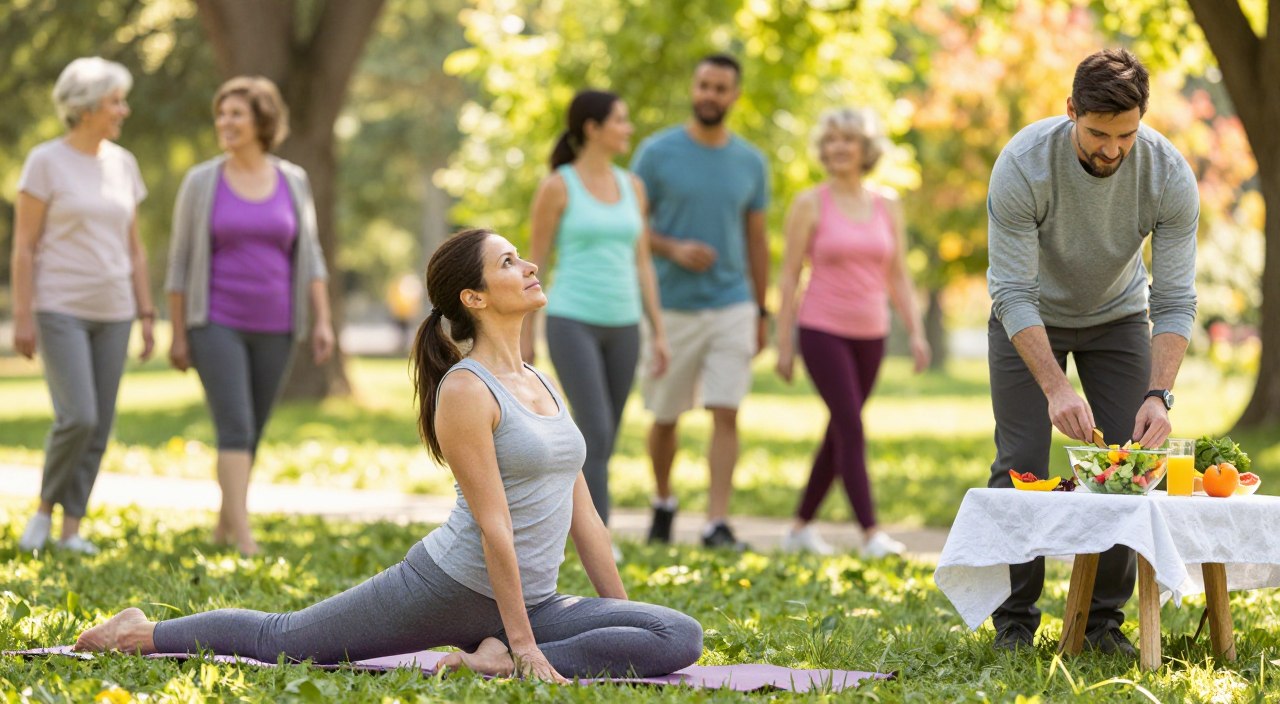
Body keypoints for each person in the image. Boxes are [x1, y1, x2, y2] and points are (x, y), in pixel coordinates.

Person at [73, 229, 704, 682]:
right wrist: (525, 644)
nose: (530, 265)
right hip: (449, 586)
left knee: (676, 634)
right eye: (509, 262)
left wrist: (622, 613)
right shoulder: (466, 390)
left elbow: (586, 519)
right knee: (286, 639)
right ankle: (140, 632)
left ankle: (495, 658)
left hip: (534, 599)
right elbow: (494, 526)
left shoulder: (540, 382)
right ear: (475, 298)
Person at [985, 49, 1198, 655]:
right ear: (1071, 111)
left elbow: (1175, 299)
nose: (1112, 149)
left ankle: (1102, 623)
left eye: (1126, 135)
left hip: (1117, 318)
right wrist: (1055, 387)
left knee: (1127, 464)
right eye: (1098, 134)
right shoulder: (1023, 164)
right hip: (1028, 317)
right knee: (1022, 462)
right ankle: (1014, 622)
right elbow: (1012, 291)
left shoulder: (1167, 175)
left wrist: (1159, 394)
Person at [165, 76, 335, 556]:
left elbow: (310, 254)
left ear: (262, 121)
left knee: (253, 429)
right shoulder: (202, 181)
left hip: (277, 325)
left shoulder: (293, 180)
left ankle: (224, 525)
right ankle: (244, 538)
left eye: (236, 114)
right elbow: (179, 264)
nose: (225, 122)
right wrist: (178, 333)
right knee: (235, 425)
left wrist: (322, 320)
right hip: (216, 321)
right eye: (221, 114)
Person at [13, 57, 155, 555]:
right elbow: (24, 246)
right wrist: (23, 315)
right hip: (60, 305)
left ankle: (71, 530)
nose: (124, 110)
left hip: (115, 308)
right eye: (116, 101)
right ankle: (42, 513)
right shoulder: (45, 162)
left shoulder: (124, 163)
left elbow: (135, 248)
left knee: (100, 424)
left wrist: (146, 312)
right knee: (79, 416)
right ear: (88, 107)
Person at [774, 107, 930, 558]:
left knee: (840, 430)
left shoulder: (887, 204)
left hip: (872, 333)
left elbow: (898, 273)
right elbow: (789, 276)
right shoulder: (810, 203)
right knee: (850, 425)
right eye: (831, 140)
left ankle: (799, 528)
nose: (838, 147)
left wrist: (916, 331)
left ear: (866, 148)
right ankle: (870, 533)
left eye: (848, 139)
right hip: (821, 328)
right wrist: (783, 343)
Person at [631, 54, 770, 549]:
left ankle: (716, 522)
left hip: (732, 302)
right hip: (670, 306)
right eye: (704, 85)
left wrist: (761, 309)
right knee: (665, 416)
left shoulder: (751, 161)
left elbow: (757, 239)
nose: (710, 95)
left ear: (734, 95)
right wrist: (672, 248)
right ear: (694, 88)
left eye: (720, 88)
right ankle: (664, 500)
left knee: (726, 410)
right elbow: (631, 225)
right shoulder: (655, 153)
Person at [521, 89, 669, 530]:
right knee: (595, 431)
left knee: (605, 438)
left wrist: (659, 331)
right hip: (572, 319)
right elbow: (535, 263)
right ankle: (598, 535)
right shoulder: (558, 186)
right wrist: (524, 333)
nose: (628, 128)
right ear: (592, 128)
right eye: (620, 120)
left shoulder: (633, 186)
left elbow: (643, 263)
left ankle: (573, 526)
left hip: (625, 323)